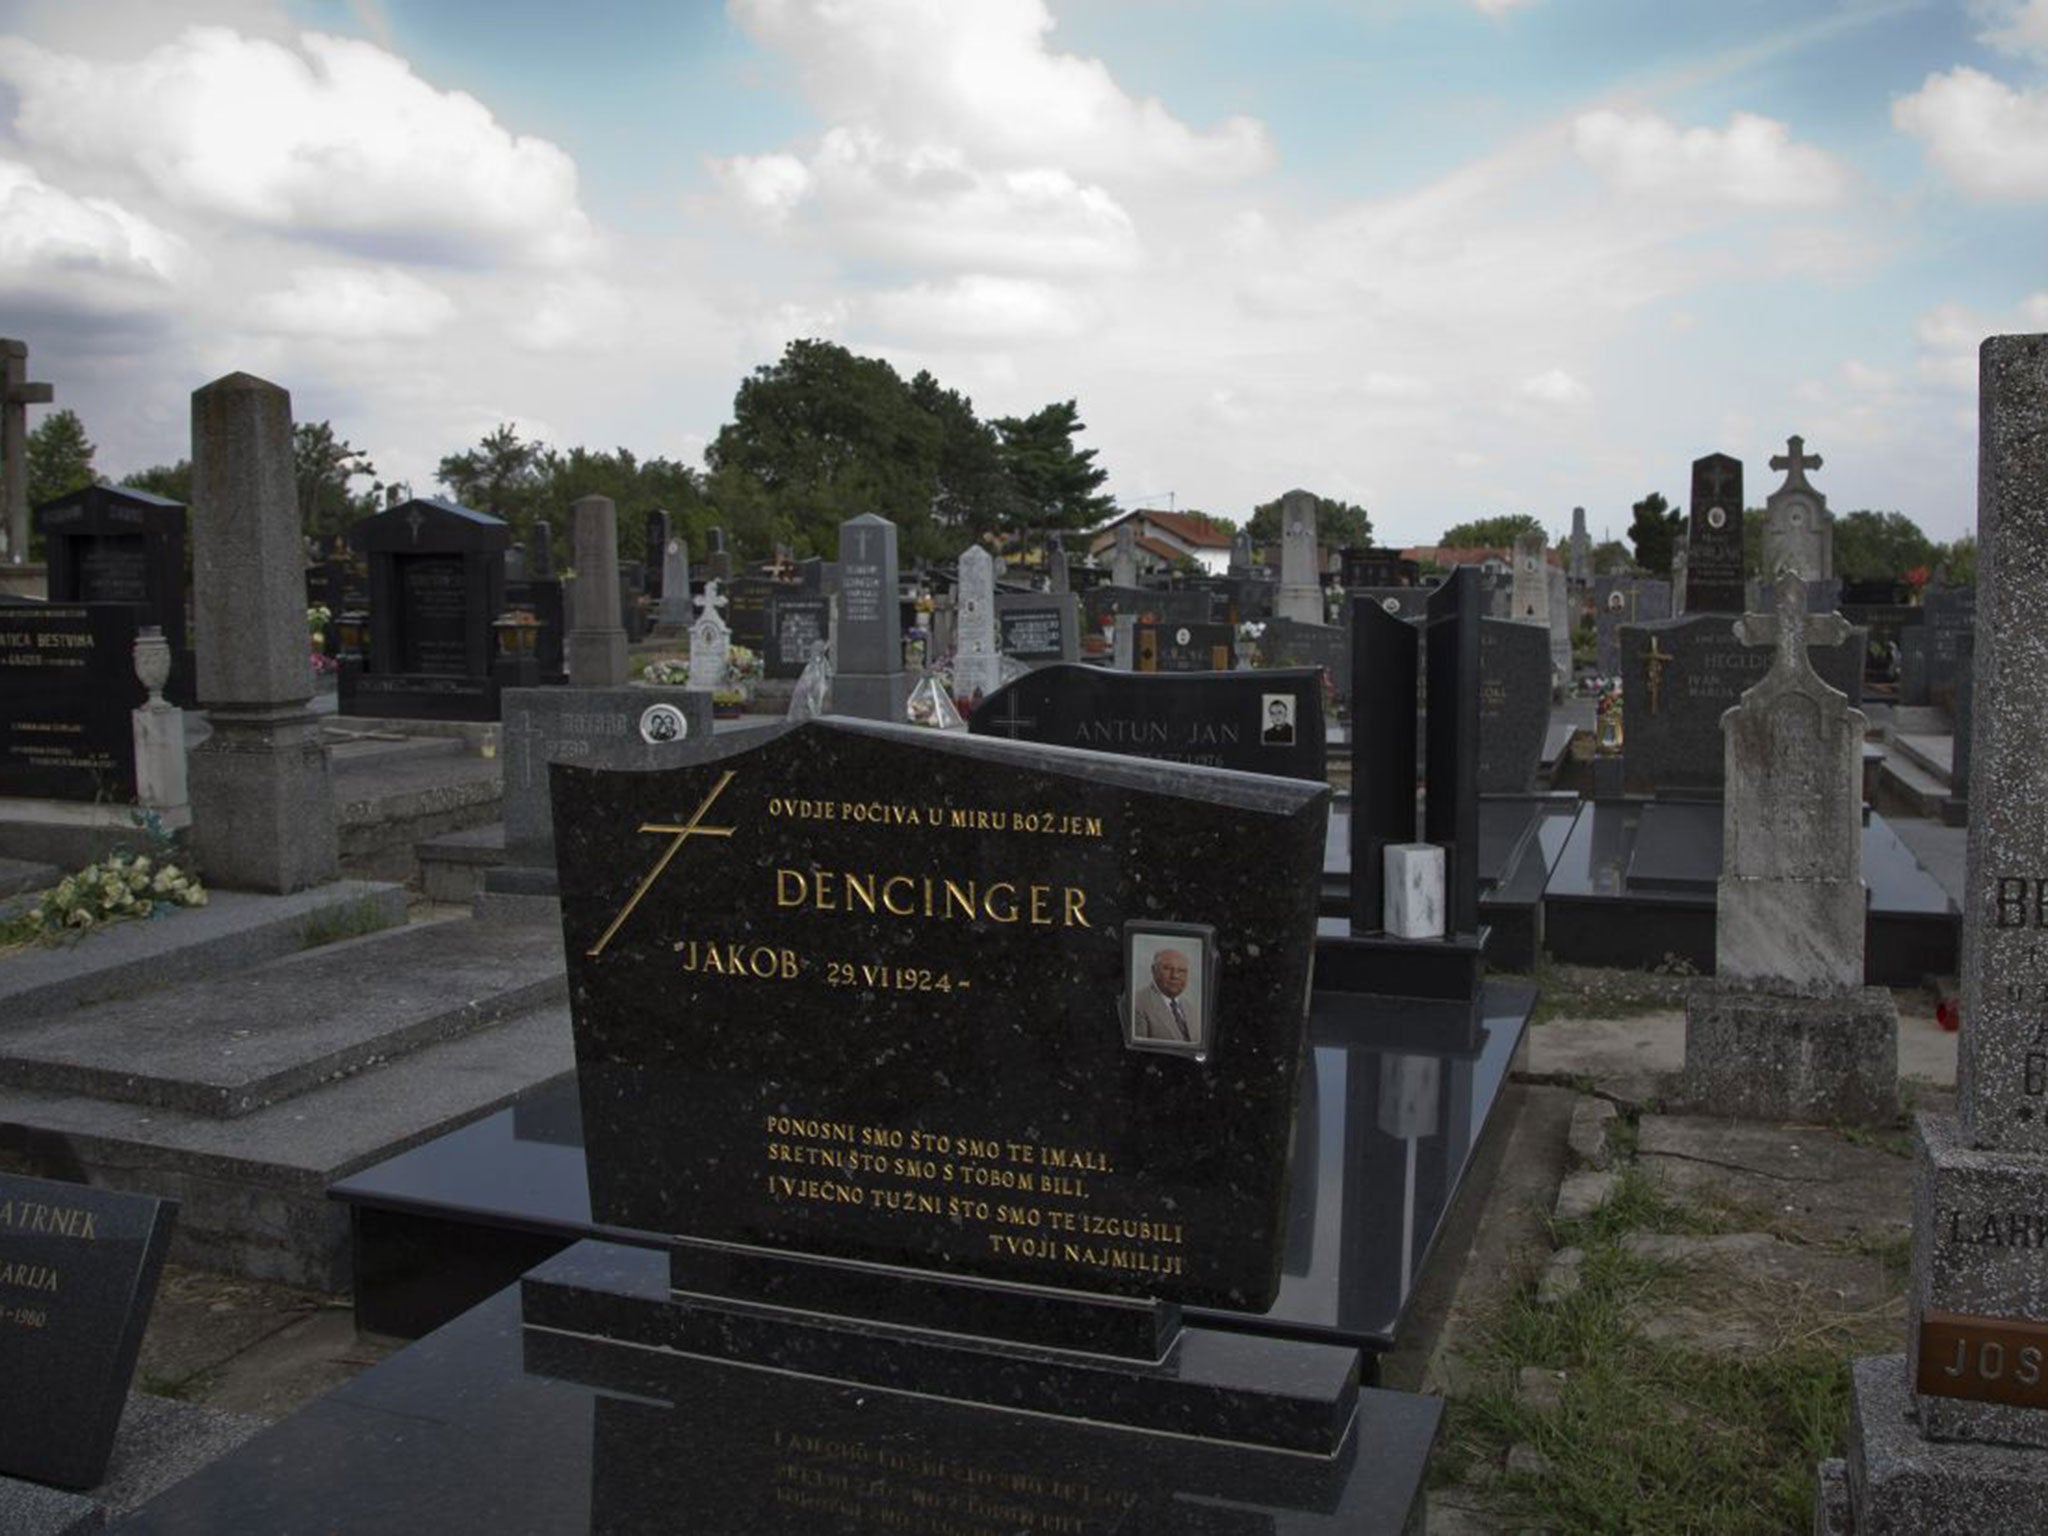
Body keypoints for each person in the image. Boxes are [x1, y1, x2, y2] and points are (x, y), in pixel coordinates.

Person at [1133, 946, 1200, 1044]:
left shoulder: (1191, 1008)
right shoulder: (1137, 1003)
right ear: (1153, 970)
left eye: (1181, 970)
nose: (1175, 976)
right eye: (1167, 968)